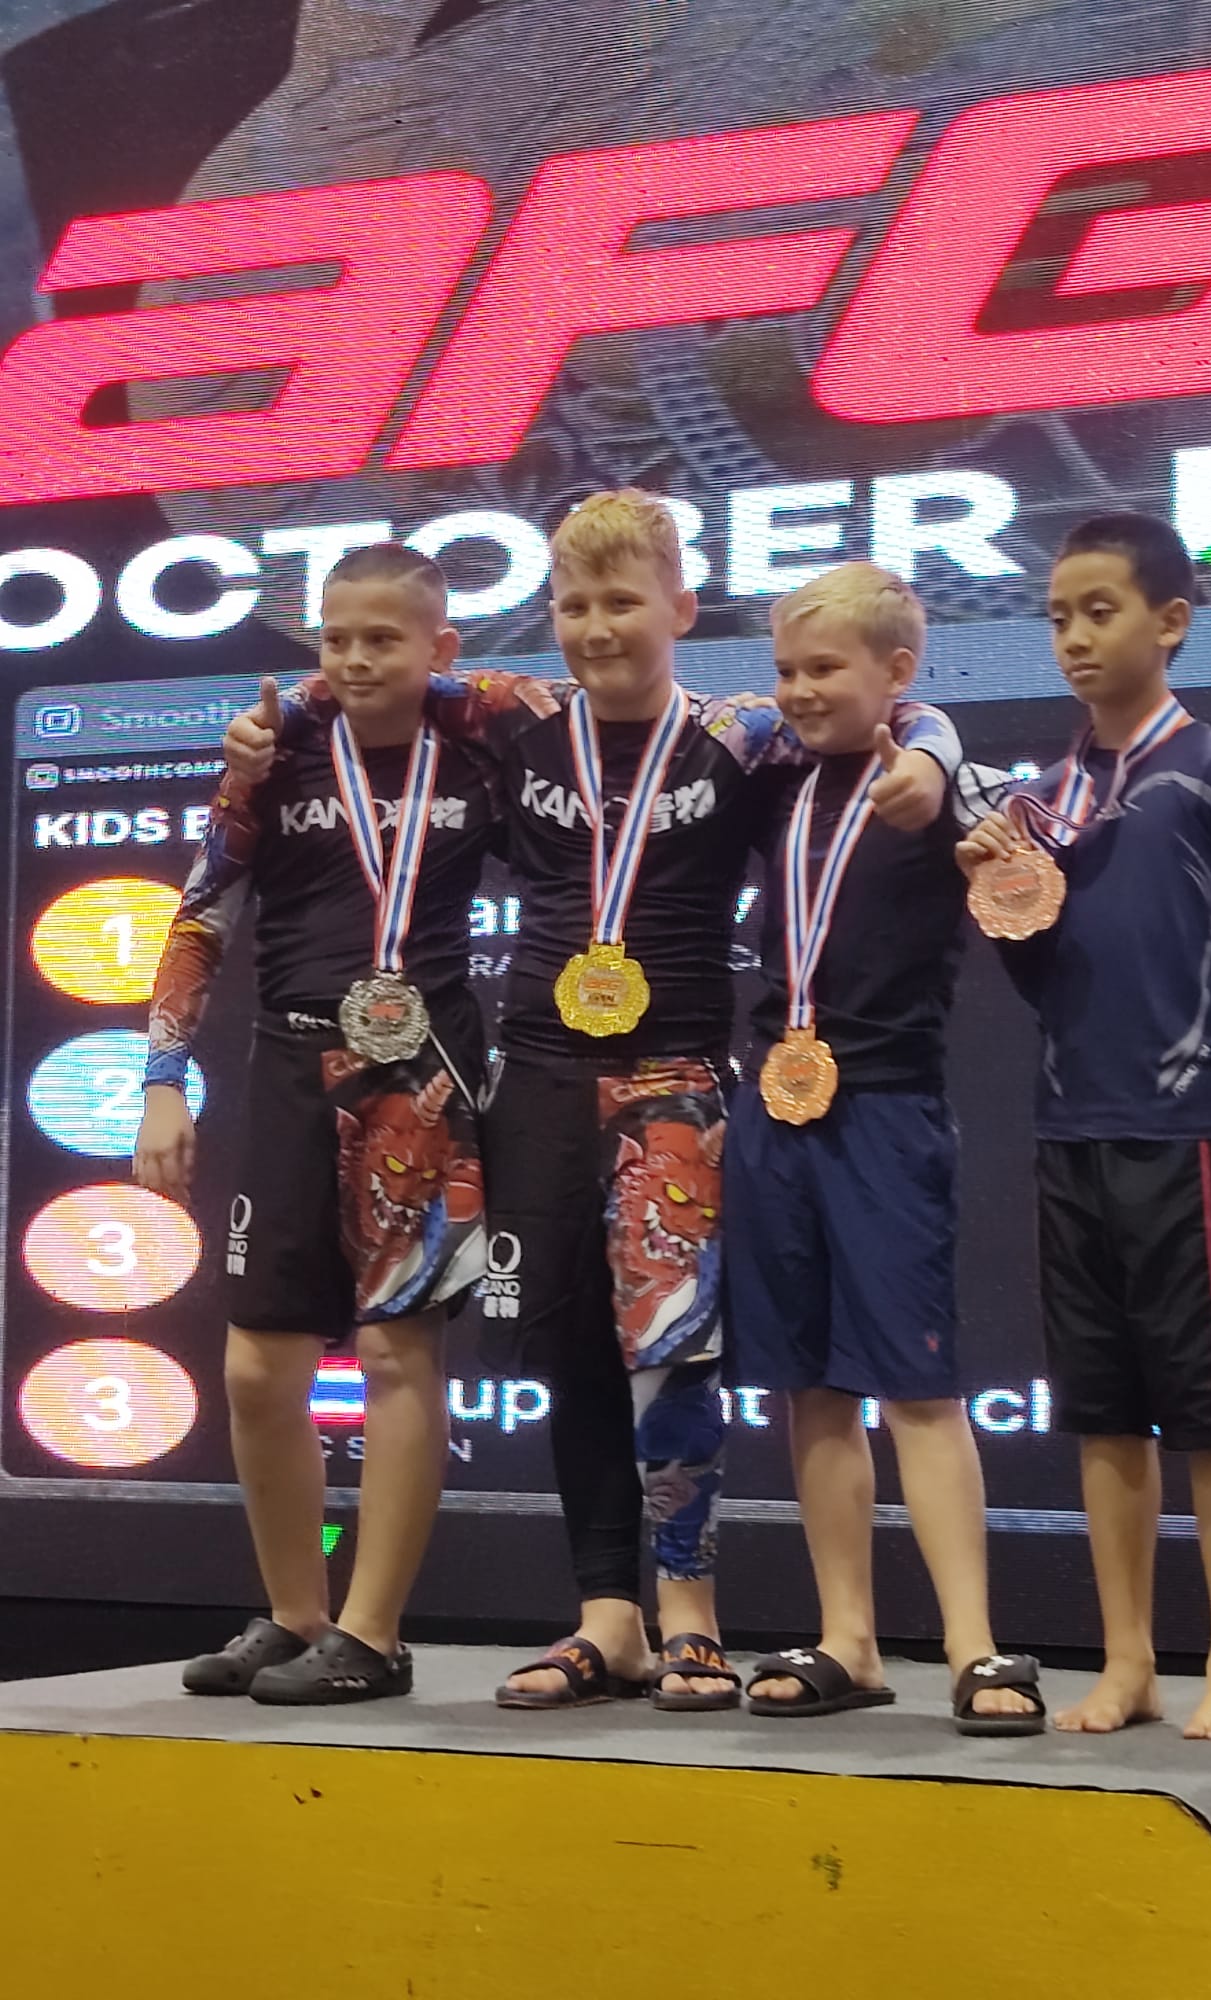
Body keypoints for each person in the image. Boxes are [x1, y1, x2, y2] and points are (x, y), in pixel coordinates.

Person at [221, 490, 962, 1711]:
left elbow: (910, 708)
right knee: (570, 1351)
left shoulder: (741, 732)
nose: (595, 626)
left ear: (681, 606)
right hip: (537, 1079)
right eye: (573, 604)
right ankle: (605, 1618)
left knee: (671, 1359)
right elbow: (346, 684)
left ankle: (691, 1618)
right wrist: (265, 734)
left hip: (672, 1080)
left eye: (623, 601)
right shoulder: (515, 721)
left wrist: (929, 756)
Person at [957, 513, 1211, 1742]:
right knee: (1103, 1411)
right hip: (1073, 1132)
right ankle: (1129, 1658)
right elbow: (1051, 984)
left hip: (1194, 1129)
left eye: (1100, 610)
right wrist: (1005, 899)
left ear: (1170, 622)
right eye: (1057, 616)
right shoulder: (1045, 803)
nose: (1075, 638)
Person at [135, 543, 494, 1705]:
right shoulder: (276, 754)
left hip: (421, 1076)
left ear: (440, 647)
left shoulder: (486, 738)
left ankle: (374, 1632)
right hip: (291, 1061)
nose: (352, 658)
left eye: (382, 638)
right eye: (336, 637)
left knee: (398, 1352)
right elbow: (199, 914)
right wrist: (161, 1078)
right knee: (256, 1367)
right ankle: (297, 1613)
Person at [727, 563, 1046, 1733]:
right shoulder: (772, 779)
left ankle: (974, 1644)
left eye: (828, 669)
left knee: (917, 1382)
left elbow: (1057, 817)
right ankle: (847, 1636)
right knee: (810, 1385)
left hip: (887, 1110)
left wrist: (942, 748)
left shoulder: (945, 782)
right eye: (789, 669)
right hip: (774, 1108)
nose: (802, 691)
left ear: (899, 674)